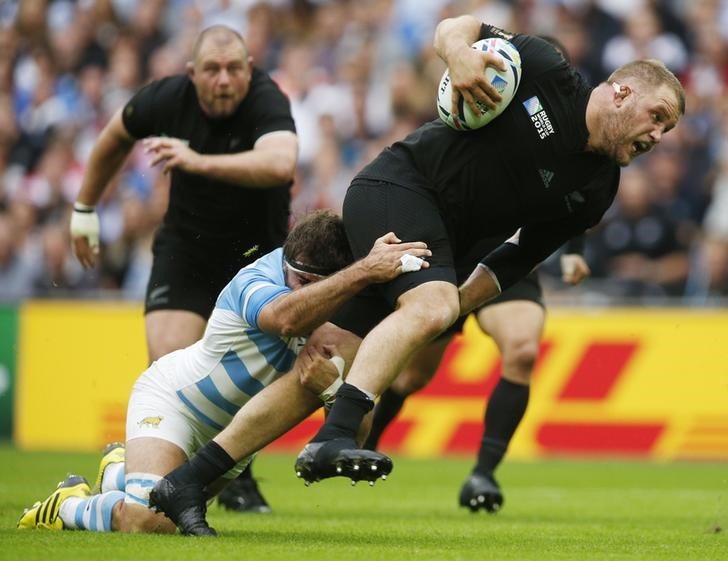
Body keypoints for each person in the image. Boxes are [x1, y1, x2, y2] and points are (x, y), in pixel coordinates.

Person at [288, 14, 684, 485]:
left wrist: (458, 302)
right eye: (657, 117)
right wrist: (460, 59)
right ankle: (290, 444)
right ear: (622, 93)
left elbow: (522, 255)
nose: (658, 136)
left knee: (497, 351)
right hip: (413, 199)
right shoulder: (545, 68)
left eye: (667, 129)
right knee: (335, 347)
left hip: (471, 253)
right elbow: (458, 26)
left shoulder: (600, 187)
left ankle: (477, 473)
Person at [18, 210, 432, 535]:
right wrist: (363, 272)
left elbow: (356, 433)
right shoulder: (259, 279)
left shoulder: (342, 309)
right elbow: (286, 319)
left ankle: (118, 471)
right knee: (151, 522)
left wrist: (333, 390)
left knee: (164, 519)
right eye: (298, 279)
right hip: (174, 404)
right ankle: (67, 503)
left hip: (230, 446)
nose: (300, 292)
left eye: (313, 285)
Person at [70, 25, 298, 513]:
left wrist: (198, 161)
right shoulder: (166, 98)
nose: (223, 81)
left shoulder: (266, 99)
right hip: (187, 251)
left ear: (249, 69)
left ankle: (231, 470)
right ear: (191, 73)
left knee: (249, 375)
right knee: (171, 361)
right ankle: (143, 466)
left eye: (234, 69)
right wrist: (85, 207)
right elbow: (115, 136)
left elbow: (280, 163)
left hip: (256, 258)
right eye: (212, 70)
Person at [362, 236, 590, 514]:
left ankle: (483, 474)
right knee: (412, 377)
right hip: (449, 261)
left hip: (509, 259)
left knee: (522, 352)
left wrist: (575, 247)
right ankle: (368, 443)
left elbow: (576, 193)